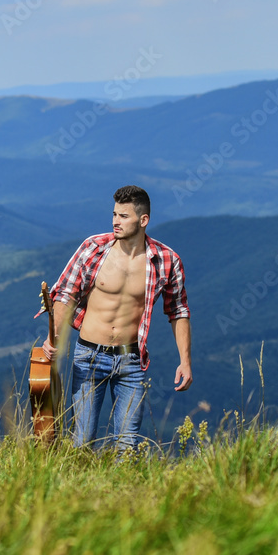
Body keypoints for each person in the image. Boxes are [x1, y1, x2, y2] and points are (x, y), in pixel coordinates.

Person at [39, 185, 192, 449]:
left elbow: (178, 311)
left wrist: (185, 361)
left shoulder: (166, 260)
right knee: (82, 440)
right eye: (114, 214)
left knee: (128, 443)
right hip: (89, 356)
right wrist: (53, 340)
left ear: (143, 220)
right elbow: (66, 294)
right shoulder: (94, 248)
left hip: (131, 360)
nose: (115, 222)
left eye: (123, 216)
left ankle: (124, 490)